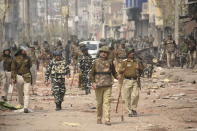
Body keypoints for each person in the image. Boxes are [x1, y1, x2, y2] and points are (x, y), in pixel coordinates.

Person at [89, 46, 118, 125]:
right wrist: (93, 83)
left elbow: (114, 72)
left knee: (107, 102)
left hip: (108, 85)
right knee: (99, 103)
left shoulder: (110, 62)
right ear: (100, 53)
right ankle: (99, 118)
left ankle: (107, 119)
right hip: (98, 85)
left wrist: (118, 77)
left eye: (105, 52)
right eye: (102, 52)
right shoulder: (95, 62)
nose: (104, 53)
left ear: (107, 54)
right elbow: (91, 74)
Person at [118, 48, 144, 117]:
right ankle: (129, 111)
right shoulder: (124, 62)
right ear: (128, 54)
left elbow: (142, 70)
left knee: (136, 95)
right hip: (127, 80)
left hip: (135, 80)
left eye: (133, 52)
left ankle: (133, 109)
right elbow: (120, 71)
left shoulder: (137, 61)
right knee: (127, 97)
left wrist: (140, 65)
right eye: (131, 53)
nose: (132, 54)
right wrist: (123, 69)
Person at [11, 46, 32, 113]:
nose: (25, 51)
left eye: (25, 50)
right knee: (20, 92)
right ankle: (21, 104)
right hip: (18, 77)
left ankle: (26, 107)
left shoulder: (28, 58)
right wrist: (14, 78)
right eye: (23, 50)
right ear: (20, 51)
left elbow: (30, 66)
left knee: (27, 92)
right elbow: (13, 69)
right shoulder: (15, 59)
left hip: (27, 76)